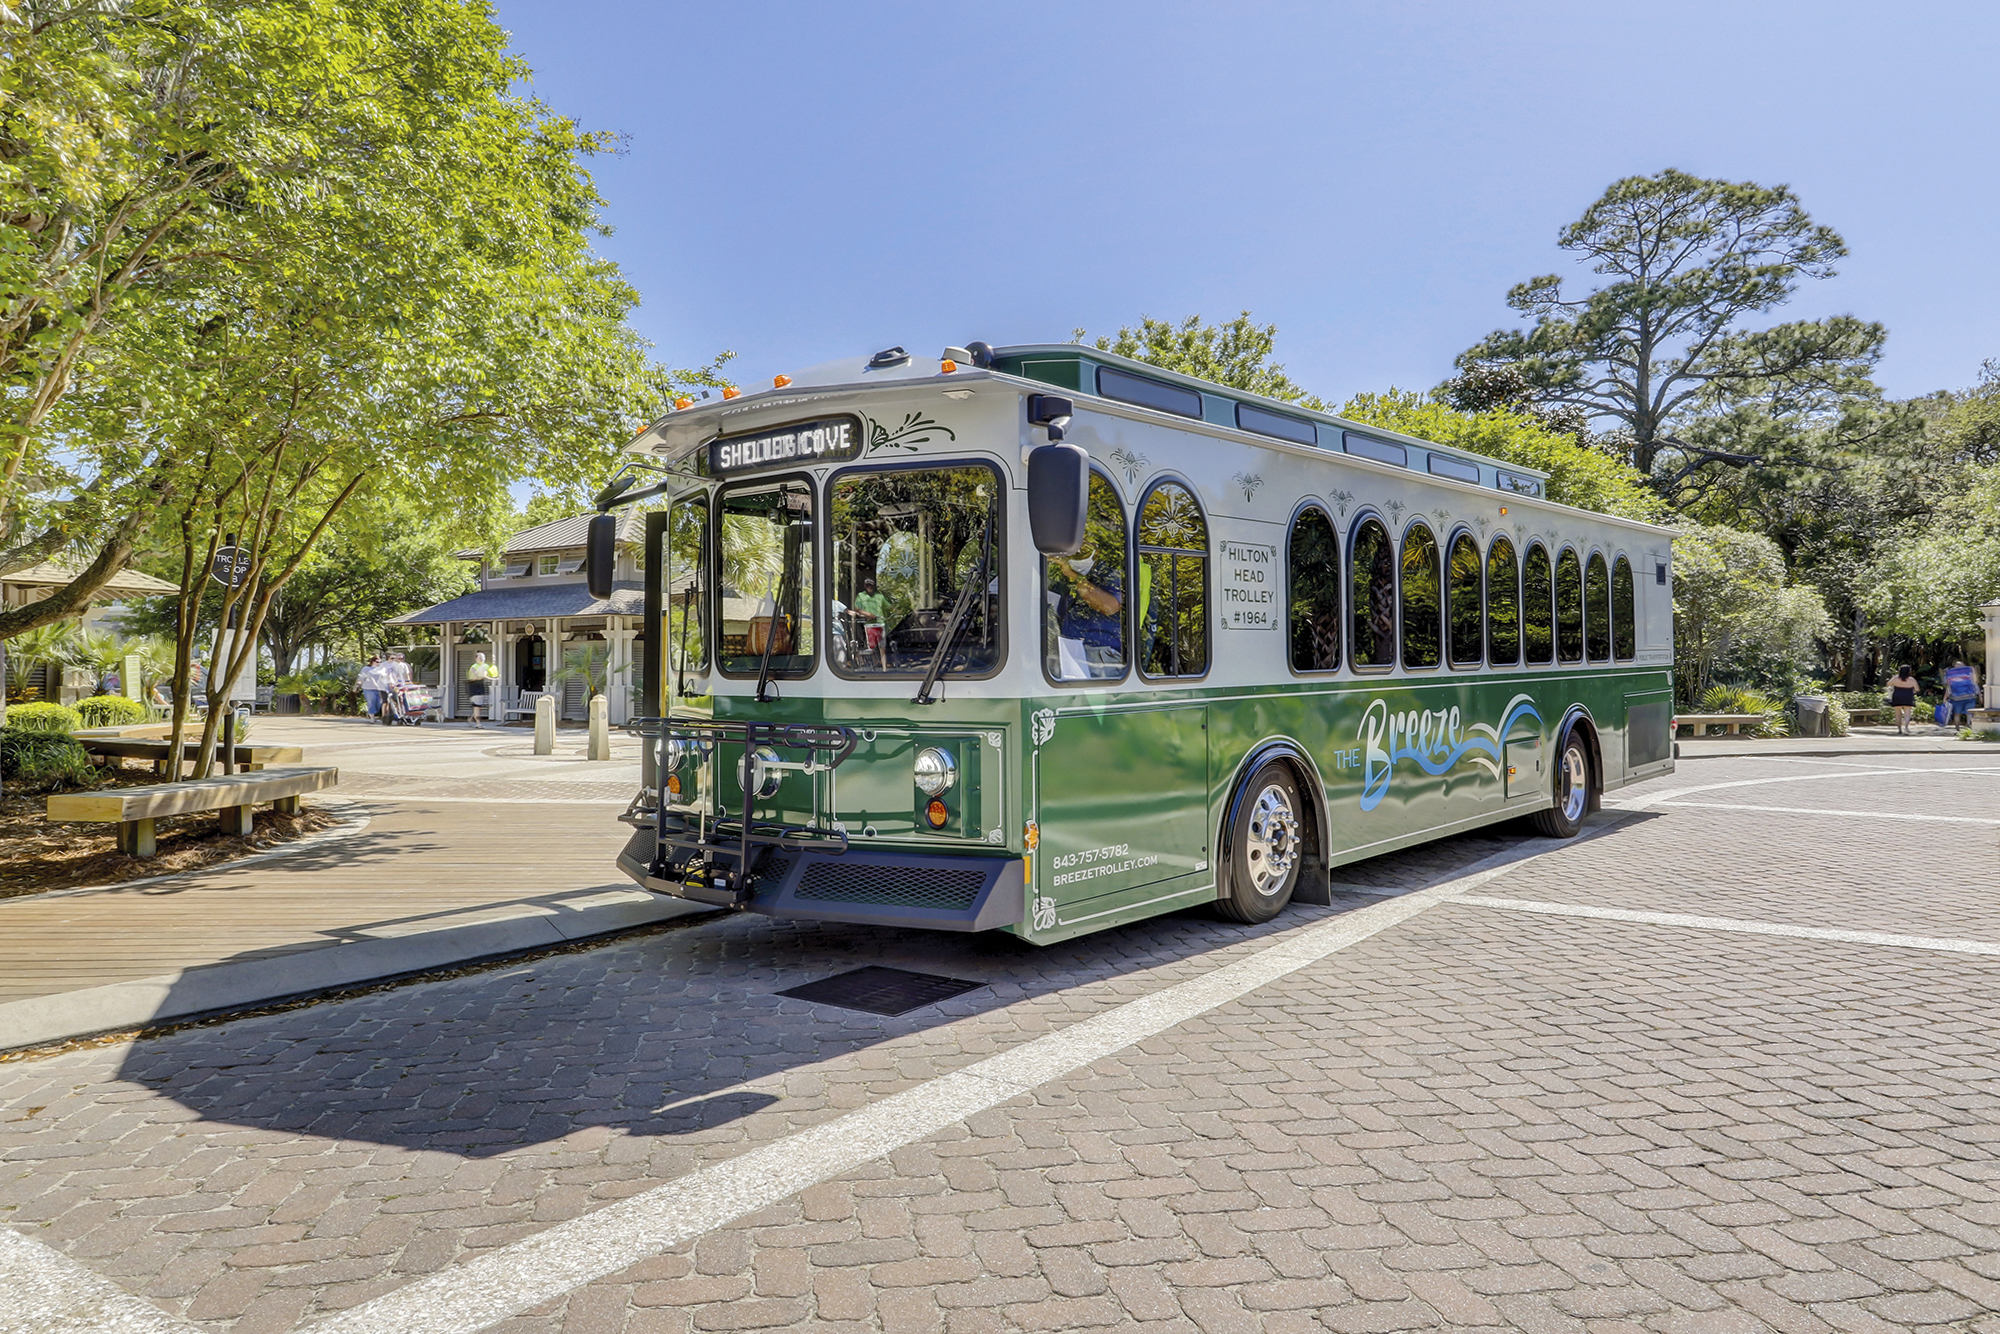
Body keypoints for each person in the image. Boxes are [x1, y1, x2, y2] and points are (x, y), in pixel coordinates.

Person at [1049, 539, 1125, 679]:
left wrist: (1074, 577)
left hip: (1100, 655)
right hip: (1070, 651)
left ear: (1097, 553)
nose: (1076, 556)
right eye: (1072, 552)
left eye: (1083, 551)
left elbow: (1109, 606)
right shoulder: (1064, 576)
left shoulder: (1109, 574)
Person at [851, 576, 890, 669]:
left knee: (882, 648)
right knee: (871, 648)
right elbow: (857, 609)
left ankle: (884, 669)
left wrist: (898, 611)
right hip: (869, 625)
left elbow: (889, 607)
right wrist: (868, 614)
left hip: (880, 623)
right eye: (867, 585)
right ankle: (874, 666)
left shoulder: (879, 596)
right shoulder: (861, 596)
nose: (869, 587)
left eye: (871, 585)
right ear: (864, 586)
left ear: (874, 586)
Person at [1944, 659, 1980, 730]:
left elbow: (1949, 688)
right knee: (1969, 713)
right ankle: (1969, 728)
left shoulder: (1950, 674)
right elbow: (1975, 684)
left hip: (1956, 698)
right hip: (1970, 696)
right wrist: (1980, 696)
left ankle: (1957, 729)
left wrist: (1945, 698)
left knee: (1957, 714)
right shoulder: (1969, 672)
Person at [1887, 664, 1920, 735]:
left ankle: (1899, 729)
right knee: (1907, 713)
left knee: (1898, 714)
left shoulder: (1896, 678)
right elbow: (1917, 689)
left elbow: (1888, 684)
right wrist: (1912, 692)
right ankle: (1906, 728)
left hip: (1897, 695)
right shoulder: (1912, 680)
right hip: (1908, 696)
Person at [466, 651, 493, 728]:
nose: (482, 659)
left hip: (481, 685)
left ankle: (471, 719)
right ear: (476, 658)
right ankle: (478, 723)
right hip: (474, 686)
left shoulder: (486, 666)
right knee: (477, 705)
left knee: (479, 706)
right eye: (480, 657)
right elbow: (477, 675)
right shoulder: (474, 667)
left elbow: (489, 674)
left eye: (483, 657)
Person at [357, 656, 388, 720]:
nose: (378, 663)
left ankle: (374, 713)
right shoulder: (366, 668)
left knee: (379, 703)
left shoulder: (381, 669)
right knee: (371, 701)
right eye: (377, 662)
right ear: (372, 661)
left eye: (380, 662)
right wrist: (357, 686)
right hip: (368, 688)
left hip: (379, 688)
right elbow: (361, 677)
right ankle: (372, 717)